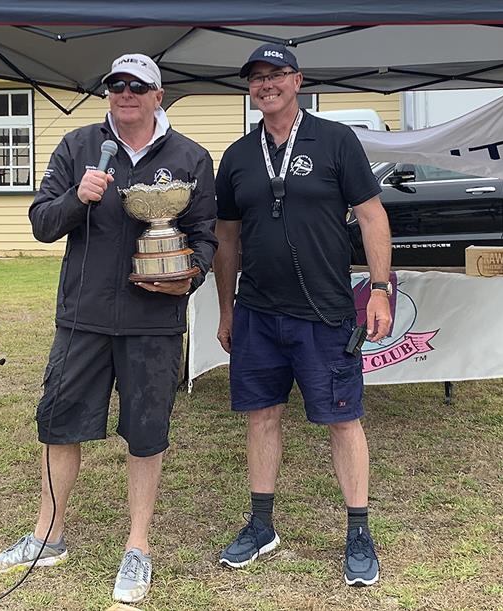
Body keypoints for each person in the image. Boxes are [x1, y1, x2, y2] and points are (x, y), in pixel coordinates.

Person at [0, 53, 217, 604]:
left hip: (153, 321)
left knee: (146, 432)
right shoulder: (79, 146)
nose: (125, 93)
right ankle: (47, 536)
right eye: (116, 85)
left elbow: (206, 233)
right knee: (59, 426)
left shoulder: (190, 156)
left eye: (138, 86)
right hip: (83, 317)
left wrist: (192, 274)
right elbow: (42, 223)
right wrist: (75, 197)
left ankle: (137, 547)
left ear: (159, 94)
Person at [213, 43, 392, 587]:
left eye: (277, 75)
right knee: (261, 416)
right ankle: (262, 525)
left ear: (298, 80)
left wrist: (380, 288)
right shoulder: (238, 155)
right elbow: (225, 237)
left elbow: (371, 215)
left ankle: (358, 531)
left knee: (343, 420)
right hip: (258, 315)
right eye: (257, 78)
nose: (266, 84)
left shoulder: (336, 140)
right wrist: (226, 309)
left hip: (325, 312)